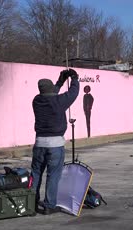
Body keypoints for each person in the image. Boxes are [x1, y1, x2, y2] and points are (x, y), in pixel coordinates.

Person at [31, 68, 79, 215]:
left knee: (36, 173)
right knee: (53, 175)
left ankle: (31, 201)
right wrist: (74, 78)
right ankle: (49, 205)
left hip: (39, 143)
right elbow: (73, 93)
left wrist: (60, 81)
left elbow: (52, 93)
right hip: (55, 145)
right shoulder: (58, 101)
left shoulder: (37, 101)